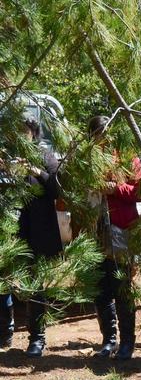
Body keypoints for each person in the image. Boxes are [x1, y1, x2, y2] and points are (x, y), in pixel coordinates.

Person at [0, 116, 62, 357]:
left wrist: (35, 171)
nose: (18, 134)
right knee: (6, 281)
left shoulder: (46, 156)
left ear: (34, 133)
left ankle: (37, 339)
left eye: (23, 130)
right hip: (9, 229)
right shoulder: (7, 156)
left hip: (36, 231)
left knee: (35, 285)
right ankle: (5, 333)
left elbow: (56, 189)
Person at [89, 116, 141, 360]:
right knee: (101, 289)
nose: (103, 137)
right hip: (95, 230)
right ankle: (108, 340)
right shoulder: (87, 160)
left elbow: (139, 191)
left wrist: (113, 188)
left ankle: (127, 342)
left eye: (106, 132)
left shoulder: (127, 157)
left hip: (121, 228)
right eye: (98, 133)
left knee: (122, 287)